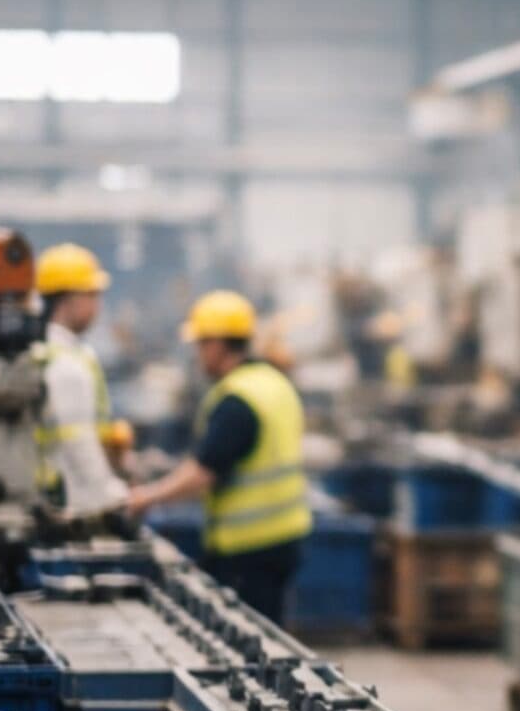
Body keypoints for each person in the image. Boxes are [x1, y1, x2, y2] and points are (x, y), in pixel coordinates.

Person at [127, 290, 311, 625]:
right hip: (285, 537)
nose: (198, 355)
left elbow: (203, 472)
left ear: (218, 344)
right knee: (270, 637)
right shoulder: (274, 383)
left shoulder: (237, 399)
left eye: (200, 344)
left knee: (252, 644)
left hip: (247, 547)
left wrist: (147, 498)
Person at [32, 243, 129, 517]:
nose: (97, 305)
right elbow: (79, 444)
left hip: (53, 498)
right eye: (92, 295)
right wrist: (109, 497)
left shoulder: (47, 352)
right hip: (73, 503)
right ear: (69, 299)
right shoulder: (66, 364)